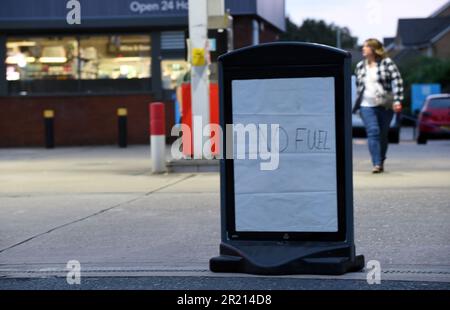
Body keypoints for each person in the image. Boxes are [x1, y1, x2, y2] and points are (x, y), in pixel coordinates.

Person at [353, 38, 404, 174]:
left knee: (382, 134)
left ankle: (380, 159)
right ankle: (376, 163)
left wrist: (398, 101)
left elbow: (397, 81)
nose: (363, 49)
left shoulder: (387, 63)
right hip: (366, 105)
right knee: (373, 132)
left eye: (366, 47)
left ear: (373, 49)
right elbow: (358, 87)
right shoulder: (359, 66)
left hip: (385, 105)